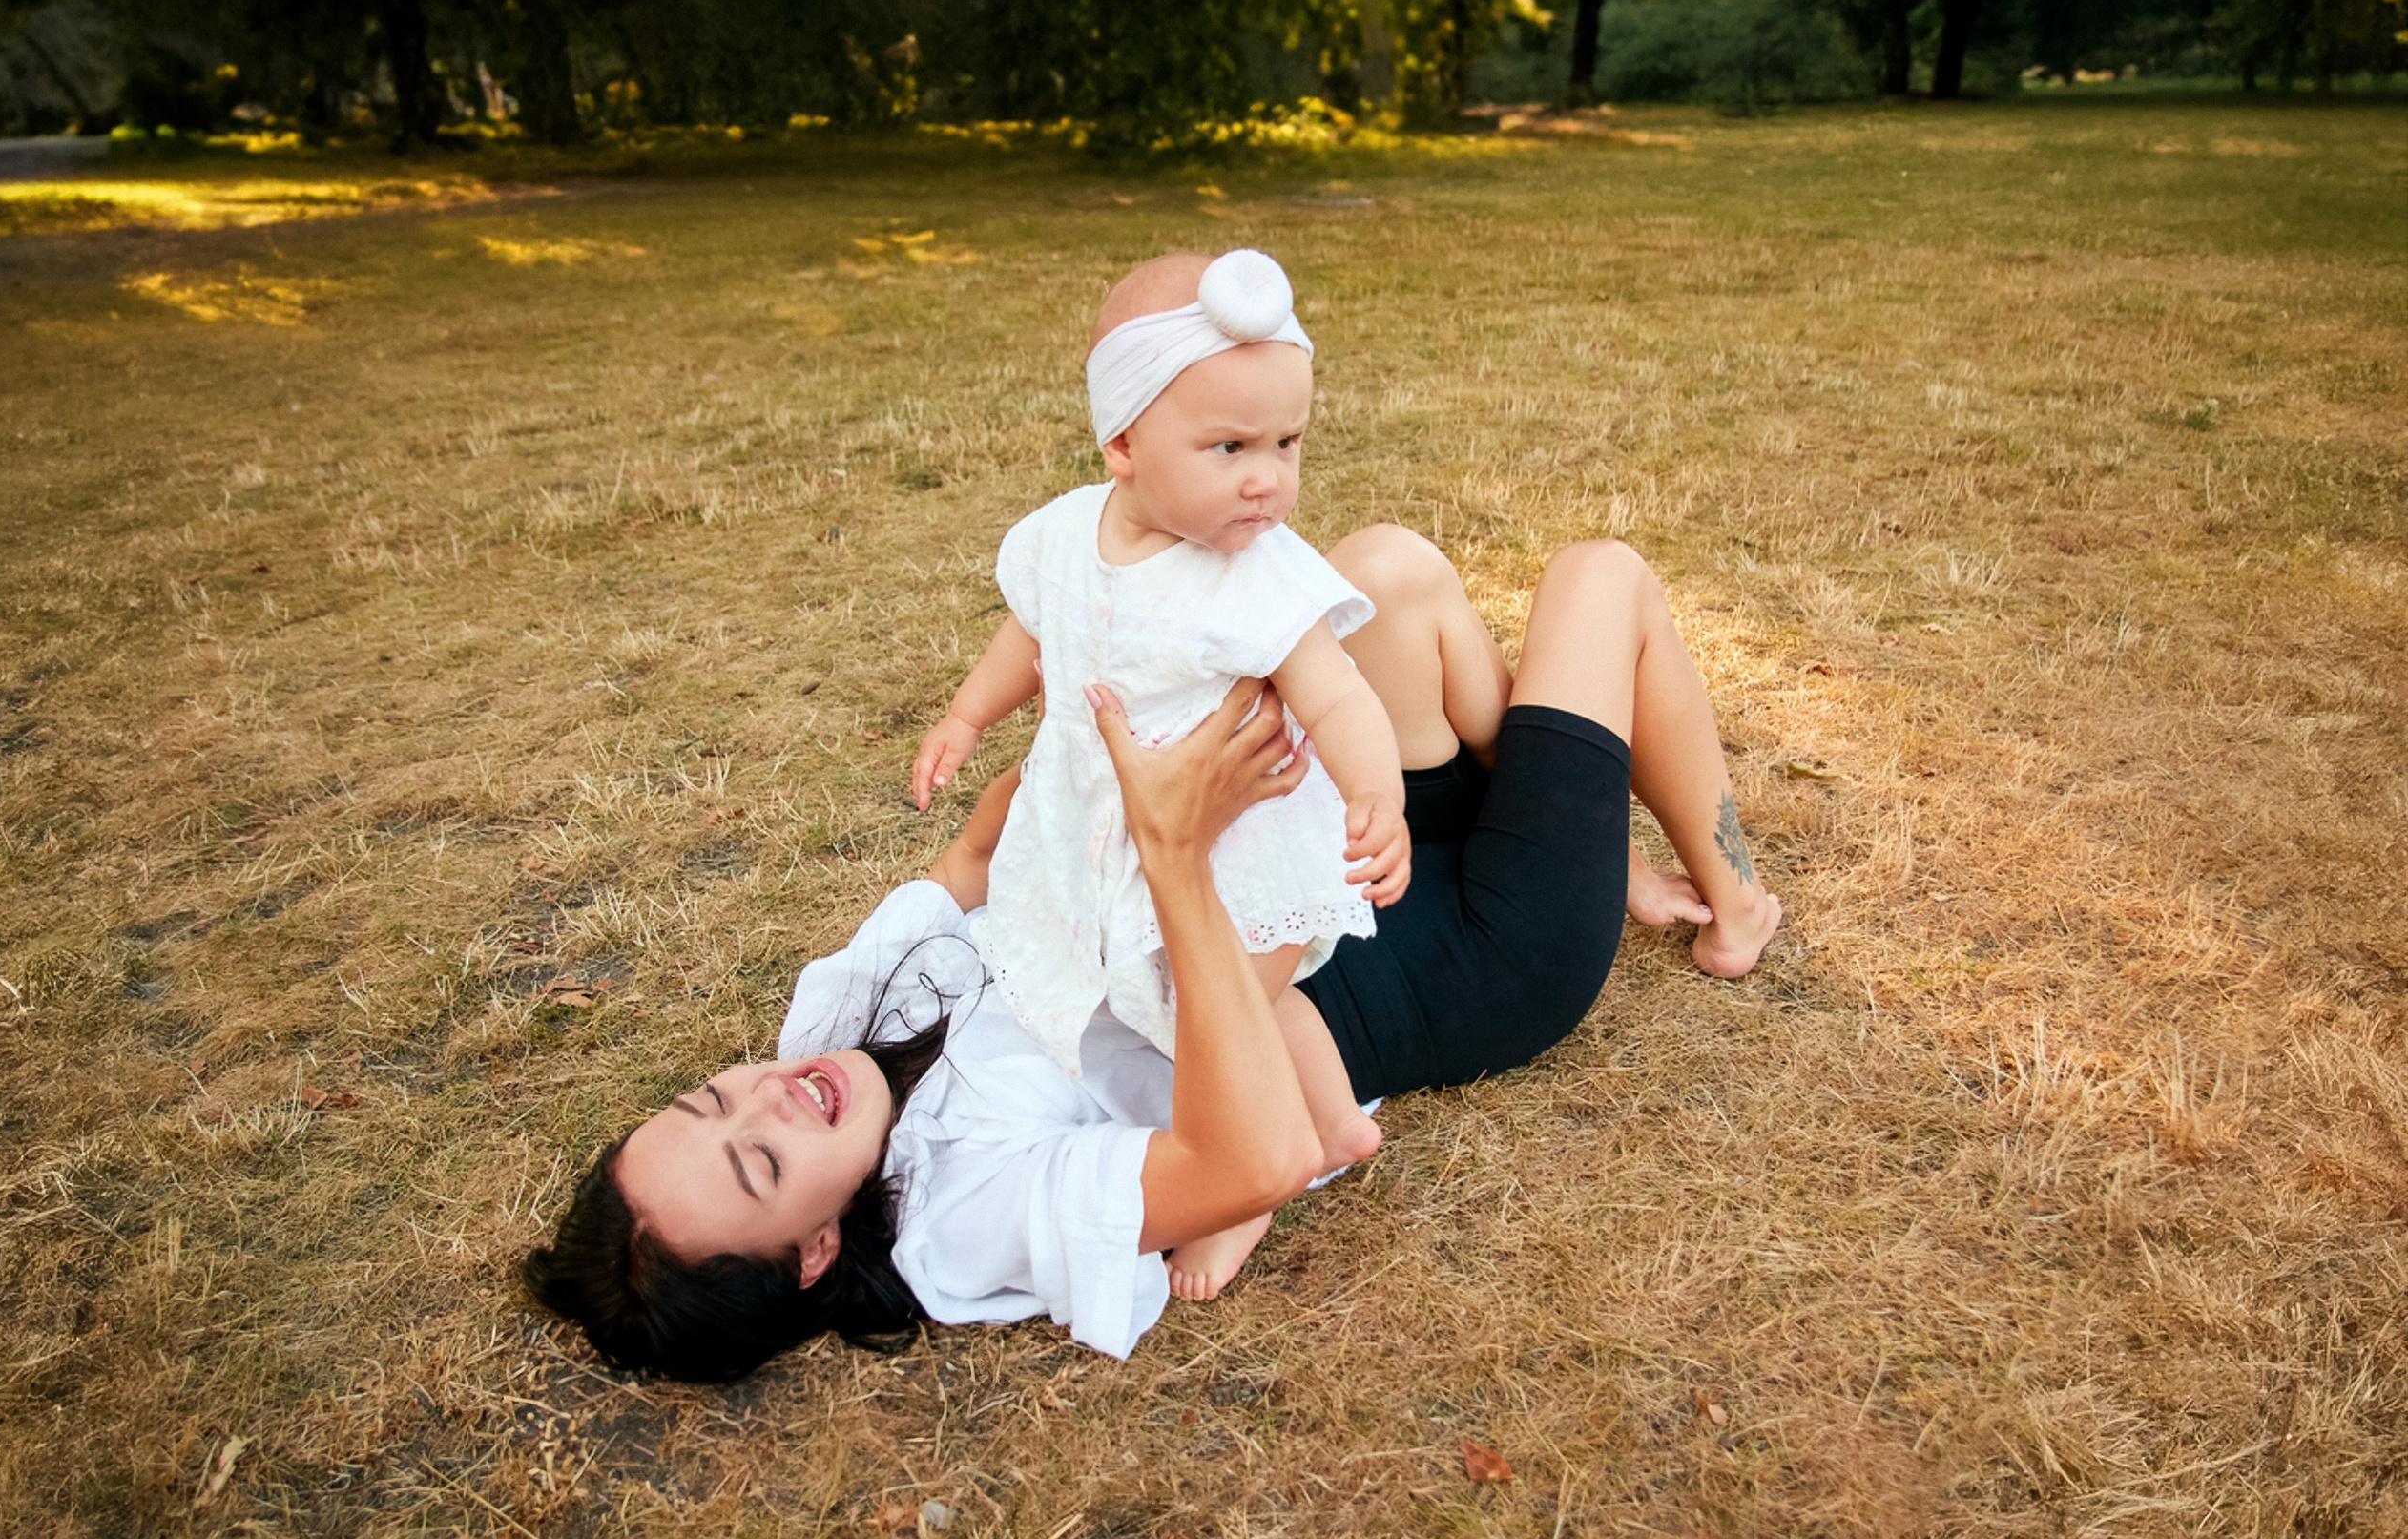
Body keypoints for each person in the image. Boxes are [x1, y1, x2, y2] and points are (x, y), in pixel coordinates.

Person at [523, 526, 1781, 1383]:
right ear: (806, 1256)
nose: (769, 1094)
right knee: (1601, 576)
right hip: (1450, 965)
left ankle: (1565, 807)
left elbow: (972, 861)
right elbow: (1256, 1156)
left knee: (1378, 572)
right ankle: (1727, 903)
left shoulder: (828, 1038)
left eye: (712, 1095)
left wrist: (1090, 747)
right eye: (758, 1159)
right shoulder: (962, 1219)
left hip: (1322, 856)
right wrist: (1175, 845)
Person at [907, 248, 1407, 1296]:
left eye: (1286, 441)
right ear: (1124, 442)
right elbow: (1031, 635)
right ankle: (1326, 1122)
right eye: (1228, 445)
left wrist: (1377, 793)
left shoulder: (1254, 570)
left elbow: (1338, 694)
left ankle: (1248, 1192)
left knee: (1205, 1016)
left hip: (1242, 851)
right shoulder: (1059, 537)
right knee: (1244, 1010)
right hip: (1114, 829)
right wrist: (965, 713)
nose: (1266, 476)